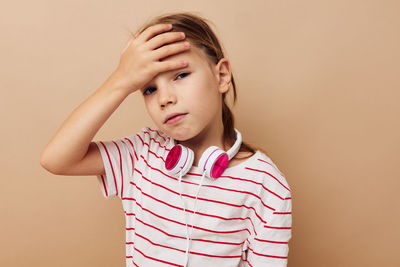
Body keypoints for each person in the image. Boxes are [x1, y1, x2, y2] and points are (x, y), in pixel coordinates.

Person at [40, 12, 292, 267]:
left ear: (222, 76)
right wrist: (121, 80)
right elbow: (56, 159)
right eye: (150, 89)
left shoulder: (265, 184)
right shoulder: (143, 153)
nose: (164, 98)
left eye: (180, 75)